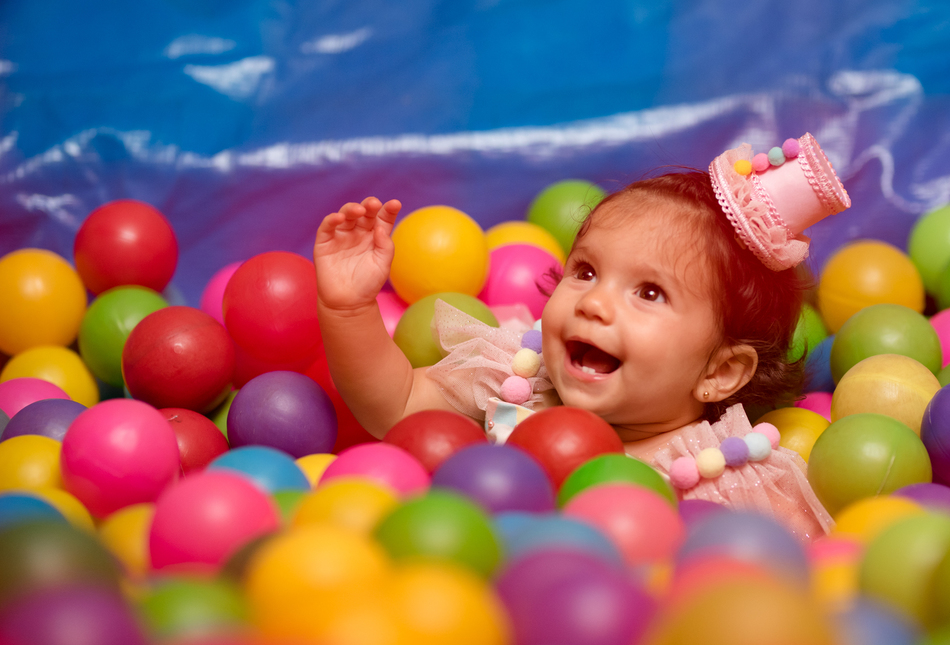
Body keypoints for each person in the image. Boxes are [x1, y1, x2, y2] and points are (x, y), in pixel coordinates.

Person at [315, 135, 850, 539]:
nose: (594, 302)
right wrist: (348, 309)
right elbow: (398, 406)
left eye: (649, 293)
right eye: (587, 271)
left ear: (720, 372)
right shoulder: (515, 382)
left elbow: (785, 583)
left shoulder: (723, 486)